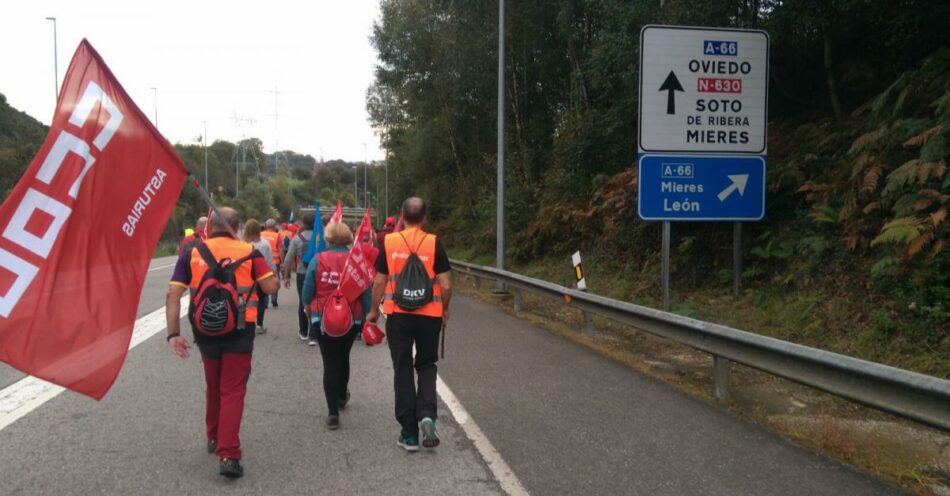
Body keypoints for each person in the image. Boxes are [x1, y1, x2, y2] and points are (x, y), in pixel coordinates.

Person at [165, 207, 278, 479]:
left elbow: (173, 294)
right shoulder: (247, 251)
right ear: (236, 227)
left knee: (213, 385)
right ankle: (228, 453)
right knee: (233, 390)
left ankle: (214, 437)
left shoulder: (192, 252)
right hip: (240, 330)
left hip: (205, 330)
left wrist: (173, 334)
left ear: (209, 225)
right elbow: (270, 288)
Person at [367, 197, 452, 452]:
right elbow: (446, 285)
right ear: (424, 218)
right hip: (429, 316)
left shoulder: (389, 242)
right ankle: (427, 415)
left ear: (401, 216)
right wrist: (444, 309)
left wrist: (373, 311)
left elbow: (379, 281)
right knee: (426, 364)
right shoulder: (434, 242)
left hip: (399, 315)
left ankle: (409, 434)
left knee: (402, 367)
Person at [301, 222, 371, 430]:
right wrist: (366, 316)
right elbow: (365, 292)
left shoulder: (317, 260)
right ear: (349, 238)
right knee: (344, 357)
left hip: (322, 319)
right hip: (352, 319)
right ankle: (341, 395)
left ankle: (332, 414)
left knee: (329, 362)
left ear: (328, 239)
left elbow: (307, 291)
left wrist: (308, 307)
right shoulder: (357, 261)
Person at [283, 212, 315, 342]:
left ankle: (303, 331)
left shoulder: (297, 239)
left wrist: (286, 277)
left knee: (303, 302)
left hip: (302, 274)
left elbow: (288, 259)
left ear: (303, 223)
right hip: (317, 274)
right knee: (316, 301)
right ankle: (314, 334)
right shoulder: (321, 239)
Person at [242, 219, 276, 335]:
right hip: (261, 276)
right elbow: (269, 261)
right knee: (261, 300)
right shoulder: (265, 243)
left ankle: (245, 322)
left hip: (246, 276)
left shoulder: (243, 244)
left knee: (246, 300)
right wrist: (274, 274)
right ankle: (259, 324)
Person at [261, 219, 284, 307]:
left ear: (266, 226)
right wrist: (282, 261)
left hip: (263, 261)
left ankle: (265, 302)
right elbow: (280, 249)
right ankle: (274, 299)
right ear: (274, 227)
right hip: (275, 261)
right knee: (274, 280)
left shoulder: (261, 234)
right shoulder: (277, 235)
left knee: (264, 280)